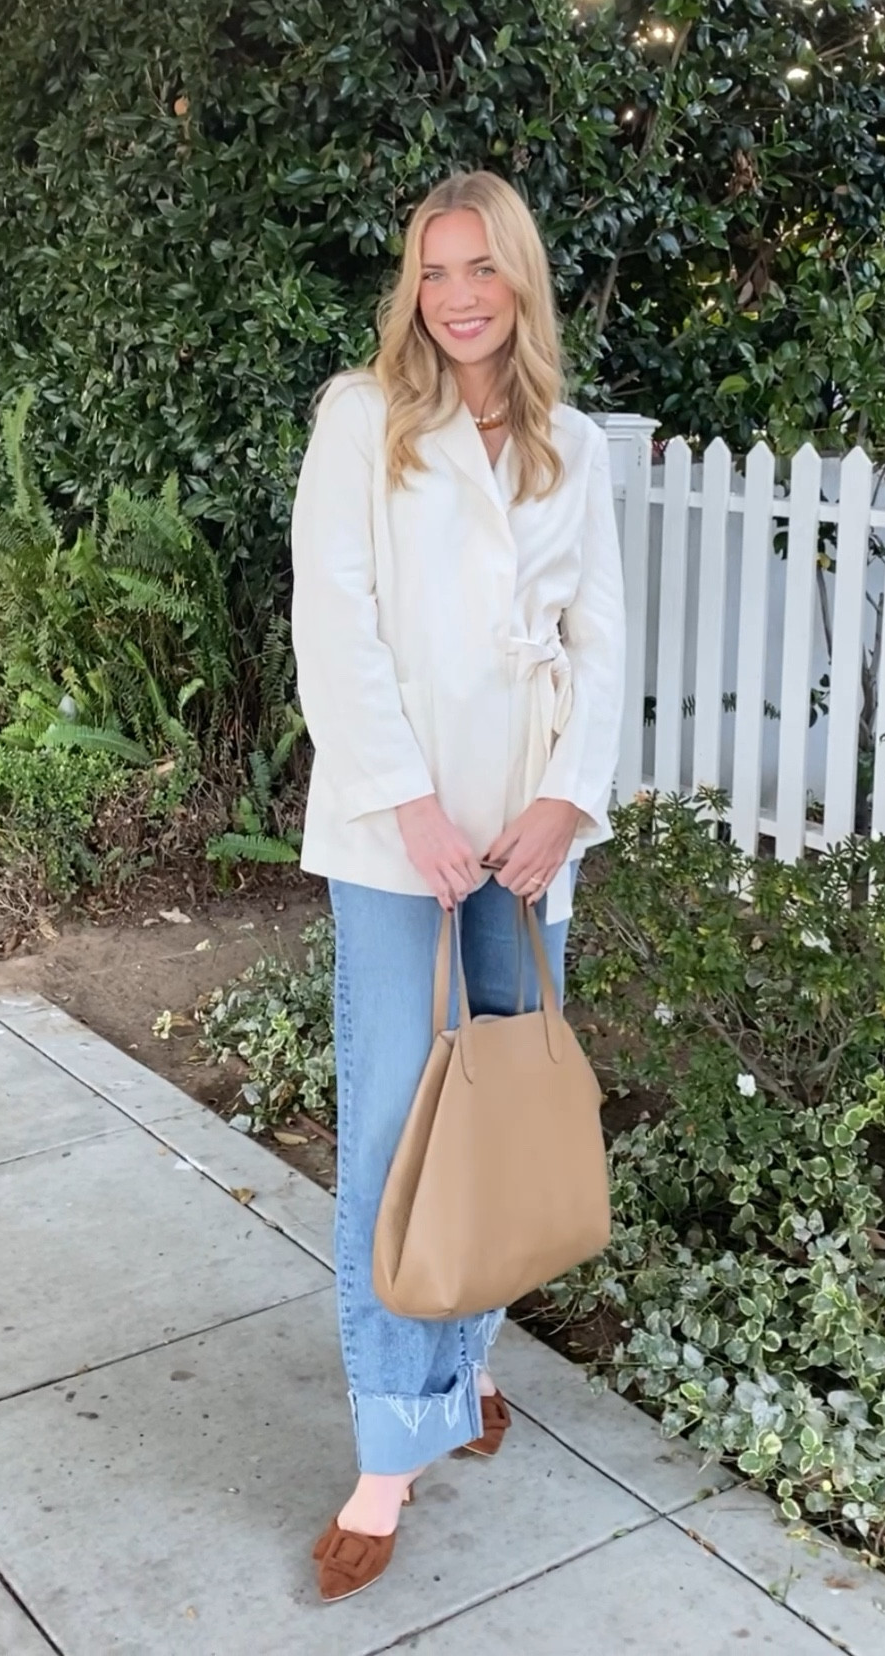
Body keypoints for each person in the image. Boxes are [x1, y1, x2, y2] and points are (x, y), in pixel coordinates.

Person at [290, 168, 625, 1603]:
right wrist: (406, 807)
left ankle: (464, 1365)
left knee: (499, 1110)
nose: (461, 295)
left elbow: (603, 637)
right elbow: (335, 615)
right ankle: (387, 1449)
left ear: (521, 279)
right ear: (411, 289)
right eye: (436, 272)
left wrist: (566, 800)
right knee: (394, 1133)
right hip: (399, 838)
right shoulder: (363, 417)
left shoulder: (575, 446)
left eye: (483, 267)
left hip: (525, 838)